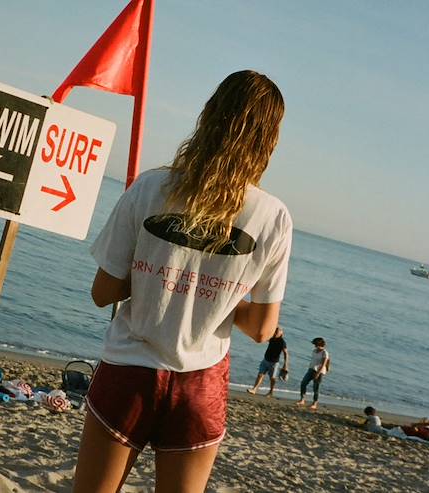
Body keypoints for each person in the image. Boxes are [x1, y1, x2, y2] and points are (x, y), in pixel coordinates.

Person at [72, 70, 291, 493]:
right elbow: (263, 329)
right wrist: (219, 297)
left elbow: (103, 293)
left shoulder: (151, 187)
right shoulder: (273, 217)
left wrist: (158, 279)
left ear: (209, 115)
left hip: (129, 371)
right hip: (201, 381)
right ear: (269, 140)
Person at [247, 326, 288, 397]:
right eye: (274, 331)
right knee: (260, 374)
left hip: (274, 363)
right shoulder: (272, 338)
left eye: (276, 332)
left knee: (272, 378)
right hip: (265, 360)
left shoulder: (282, 342)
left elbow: (286, 353)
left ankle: (271, 392)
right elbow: (264, 338)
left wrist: (285, 365)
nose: (275, 333)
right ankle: (254, 389)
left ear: (281, 333)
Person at [296, 337, 330, 410]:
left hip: (319, 371)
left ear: (319, 344)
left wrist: (319, 373)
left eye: (315, 344)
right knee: (303, 383)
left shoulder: (324, 352)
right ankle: (302, 399)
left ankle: (314, 403)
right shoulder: (314, 351)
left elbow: (325, 362)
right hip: (311, 369)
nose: (314, 345)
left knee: (315, 387)